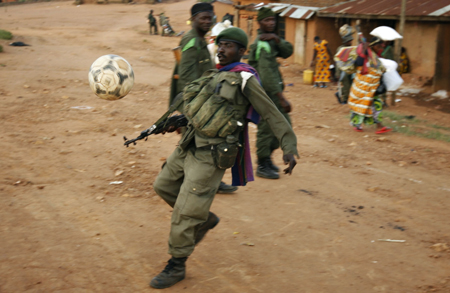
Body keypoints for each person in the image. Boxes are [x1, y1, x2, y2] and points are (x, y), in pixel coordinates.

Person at [149, 26, 298, 289]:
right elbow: (205, 110)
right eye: (220, 44)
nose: (221, 49)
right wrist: (176, 121)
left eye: (228, 45)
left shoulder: (245, 79)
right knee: (163, 185)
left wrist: (288, 144)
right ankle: (203, 219)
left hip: (212, 154)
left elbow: (271, 112)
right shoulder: (215, 75)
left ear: (242, 51)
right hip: (189, 144)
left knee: (185, 210)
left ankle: (177, 264)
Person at [169, 2, 237, 194]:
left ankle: (181, 177)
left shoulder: (199, 40)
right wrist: (191, 110)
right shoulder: (192, 41)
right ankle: (187, 180)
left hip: (200, 104)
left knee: (195, 146)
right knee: (200, 147)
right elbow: (187, 79)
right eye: (203, 18)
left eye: (210, 18)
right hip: (195, 105)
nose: (207, 22)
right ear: (193, 20)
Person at [248, 7, 293, 180]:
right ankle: (262, 163)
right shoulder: (262, 44)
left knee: (281, 126)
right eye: (267, 20)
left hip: (271, 92)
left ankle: (266, 158)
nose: (271, 23)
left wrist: (277, 38)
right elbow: (266, 75)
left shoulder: (270, 40)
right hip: (266, 93)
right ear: (260, 22)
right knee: (267, 129)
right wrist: (281, 97)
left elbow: (288, 51)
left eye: (273, 20)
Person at [347, 37, 392, 134]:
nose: (380, 48)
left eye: (381, 46)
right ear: (374, 46)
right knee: (361, 105)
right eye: (378, 46)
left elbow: (380, 70)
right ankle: (357, 124)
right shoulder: (365, 53)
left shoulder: (375, 56)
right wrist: (364, 51)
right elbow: (358, 63)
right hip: (361, 87)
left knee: (376, 105)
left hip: (372, 87)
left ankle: (379, 126)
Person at [335, 24, 355, 104]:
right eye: (350, 41)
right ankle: (344, 99)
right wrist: (338, 73)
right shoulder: (341, 49)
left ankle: (340, 94)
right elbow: (338, 62)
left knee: (350, 86)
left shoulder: (350, 49)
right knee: (346, 86)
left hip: (349, 70)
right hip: (343, 71)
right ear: (346, 41)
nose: (351, 42)